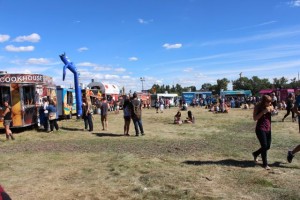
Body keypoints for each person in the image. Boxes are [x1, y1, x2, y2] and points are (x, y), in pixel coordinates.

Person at [252, 95, 274, 170]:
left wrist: (273, 111)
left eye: (270, 101)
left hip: (268, 128)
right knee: (264, 146)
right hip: (260, 129)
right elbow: (255, 118)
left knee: (268, 146)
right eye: (268, 102)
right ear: (263, 101)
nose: (270, 103)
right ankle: (265, 164)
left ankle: (255, 153)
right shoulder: (257, 107)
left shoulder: (270, 105)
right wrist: (263, 112)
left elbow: (274, 114)